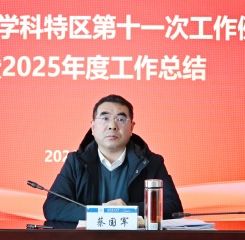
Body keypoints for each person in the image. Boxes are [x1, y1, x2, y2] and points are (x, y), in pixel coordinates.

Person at [43, 94, 183, 222]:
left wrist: (127, 210)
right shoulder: (76, 162)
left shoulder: (152, 163)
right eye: (105, 118)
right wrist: (100, 213)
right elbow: (53, 207)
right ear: (93, 127)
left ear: (131, 127)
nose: (112, 126)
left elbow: (173, 207)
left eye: (121, 119)